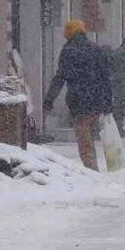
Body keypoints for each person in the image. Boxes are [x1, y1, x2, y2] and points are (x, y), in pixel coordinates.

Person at [43, 19, 113, 171]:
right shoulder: (96, 49)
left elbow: (61, 76)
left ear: (68, 33)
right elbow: (106, 78)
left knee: (84, 140)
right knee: (90, 138)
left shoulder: (69, 50)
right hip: (97, 101)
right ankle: (93, 168)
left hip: (79, 101)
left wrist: (50, 99)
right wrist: (108, 103)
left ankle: (91, 171)